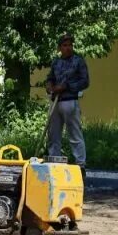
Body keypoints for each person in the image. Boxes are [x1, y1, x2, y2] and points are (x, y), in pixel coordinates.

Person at [45, 33, 89, 178]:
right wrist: (50, 86)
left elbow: (85, 81)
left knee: (74, 134)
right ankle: (54, 162)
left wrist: (66, 87)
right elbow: (50, 77)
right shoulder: (56, 62)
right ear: (60, 47)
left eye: (70, 45)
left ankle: (80, 166)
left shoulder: (78, 61)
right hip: (55, 102)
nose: (68, 48)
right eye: (65, 45)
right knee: (53, 135)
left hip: (70, 101)